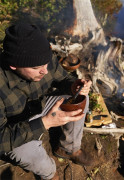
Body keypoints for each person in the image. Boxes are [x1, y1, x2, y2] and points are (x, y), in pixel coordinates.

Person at [0, 22, 92, 180]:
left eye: (46, 64)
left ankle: (68, 148)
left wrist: (73, 86)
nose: (44, 71)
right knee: (33, 156)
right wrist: (45, 123)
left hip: (39, 108)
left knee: (81, 99)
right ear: (14, 66)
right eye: (36, 68)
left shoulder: (43, 60)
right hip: (12, 129)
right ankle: (50, 174)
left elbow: (62, 78)